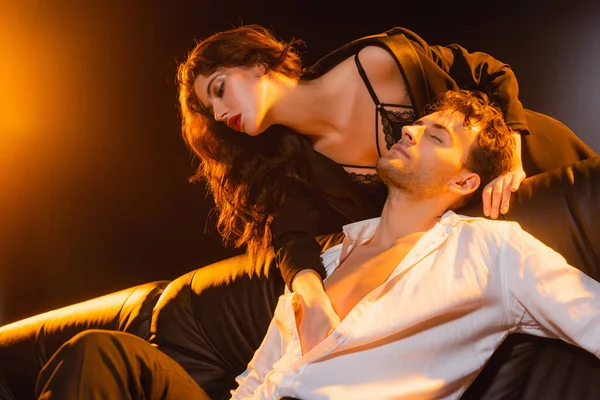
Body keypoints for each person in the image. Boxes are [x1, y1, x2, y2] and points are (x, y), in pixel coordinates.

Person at [34, 90, 600, 400]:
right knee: (103, 352)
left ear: (464, 183)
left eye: (436, 135)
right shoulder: (326, 258)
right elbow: (258, 378)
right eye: (416, 123)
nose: (408, 130)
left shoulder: (493, 253)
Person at [176, 24, 596, 354]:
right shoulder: (290, 163)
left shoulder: (378, 60)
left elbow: (489, 72)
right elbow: (292, 242)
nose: (220, 111)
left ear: (255, 63)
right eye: (212, 110)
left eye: (219, 90)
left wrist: (513, 158)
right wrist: (315, 302)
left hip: (538, 171)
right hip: (487, 231)